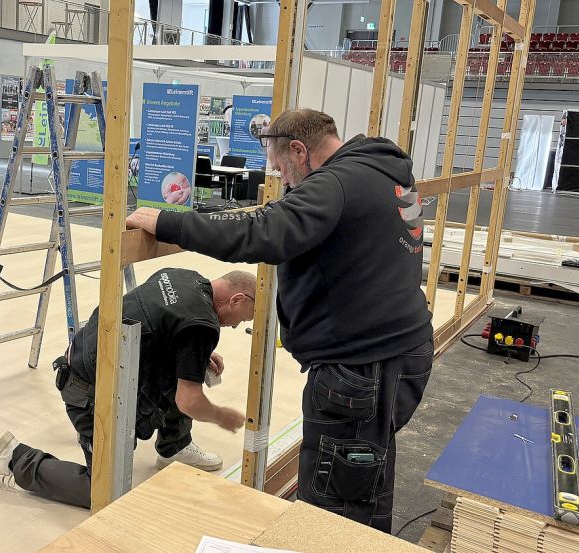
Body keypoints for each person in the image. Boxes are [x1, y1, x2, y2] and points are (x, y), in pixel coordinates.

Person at [125, 108, 433, 533]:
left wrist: (167, 222)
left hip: (363, 366)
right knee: (365, 470)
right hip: (398, 352)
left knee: (333, 500)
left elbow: (261, 233)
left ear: (300, 151)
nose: (283, 181)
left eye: (282, 168)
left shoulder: (336, 183)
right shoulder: (382, 172)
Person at [0, 268, 257, 509]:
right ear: (237, 299)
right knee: (102, 491)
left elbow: (159, 325)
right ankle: (14, 458)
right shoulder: (202, 324)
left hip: (93, 363)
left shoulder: (183, 277)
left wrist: (194, 357)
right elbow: (189, 401)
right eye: (245, 318)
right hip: (91, 396)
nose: (236, 326)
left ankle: (175, 446)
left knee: (183, 372)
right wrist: (221, 416)